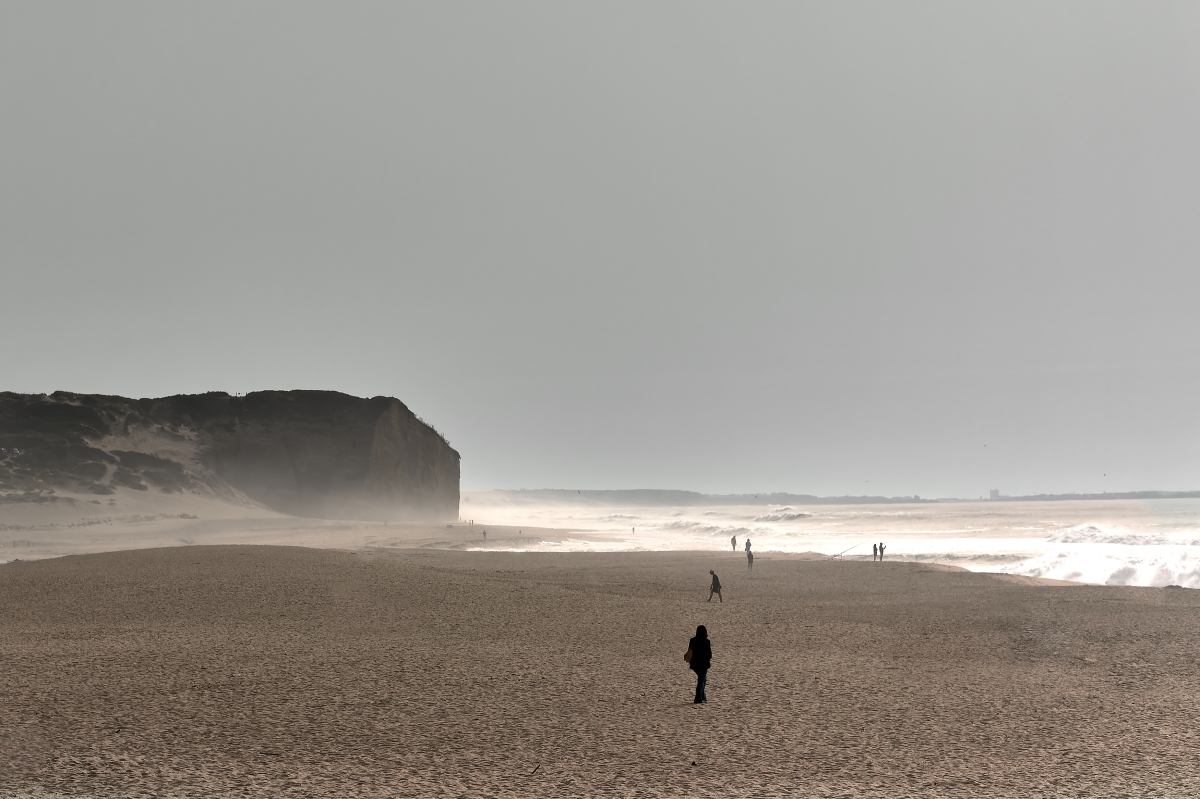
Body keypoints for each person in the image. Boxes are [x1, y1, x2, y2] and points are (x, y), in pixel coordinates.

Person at [686, 625, 712, 703]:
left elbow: (689, 651)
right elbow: (709, 655)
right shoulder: (706, 642)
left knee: (703, 680)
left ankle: (703, 696)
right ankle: (698, 698)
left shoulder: (692, 640)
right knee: (701, 681)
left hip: (694, 665)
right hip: (703, 665)